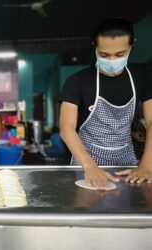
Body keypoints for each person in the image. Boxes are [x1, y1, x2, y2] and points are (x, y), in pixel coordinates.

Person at [60, 17, 152, 189]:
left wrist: (147, 164)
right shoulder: (77, 81)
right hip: (86, 159)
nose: (111, 60)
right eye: (104, 55)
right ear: (95, 47)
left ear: (131, 46)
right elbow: (66, 127)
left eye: (120, 54)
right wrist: (89, 166)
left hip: (127, 160)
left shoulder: (142, 76)